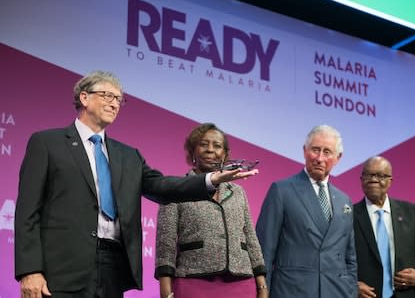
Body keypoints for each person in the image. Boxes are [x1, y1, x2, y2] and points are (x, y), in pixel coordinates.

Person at [14, 71, 258, 298]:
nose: (114, 103)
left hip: (112, 266)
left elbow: (162, 187)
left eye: (119, 99)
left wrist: (210, 180)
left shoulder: (128, 155)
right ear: (84, 97)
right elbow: (27, 212)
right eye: (108, 95)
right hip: (61, 269)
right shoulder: (47, 143)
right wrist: (30, 270)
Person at [154, 123, 268, 298]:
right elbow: (166, 243)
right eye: (203, 144)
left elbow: (251, 239)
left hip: (241, 283)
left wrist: (261, 286)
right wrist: (166, 290)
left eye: (217, 145)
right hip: (193, 281)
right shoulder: (176, 189)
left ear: (225, 154)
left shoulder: (238, 192)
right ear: (193, 152)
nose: (210, 150)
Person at [256, 124, 357, 298]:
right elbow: (264, 249)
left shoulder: (344, 201)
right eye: (315, 150)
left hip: (336, 291)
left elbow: (350, 257)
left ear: (338, 158)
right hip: (292, 290)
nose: (319, 158)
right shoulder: (282, 190)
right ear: (304, 151)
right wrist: (263, 291)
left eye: (327, 152)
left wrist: (350, 290)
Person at [354, 156, 415, 298]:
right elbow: (337, 260)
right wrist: (351, 285)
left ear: (390, 181)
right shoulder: (348, 216)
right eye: (368, 175)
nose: (374, 179)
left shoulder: (411, 212)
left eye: (380, 175)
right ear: (361, 180)